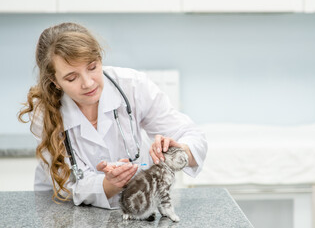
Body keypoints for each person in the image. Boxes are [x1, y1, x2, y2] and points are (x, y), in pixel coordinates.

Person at [18, 22, 207, 209]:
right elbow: (67, 186)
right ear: (55, 81)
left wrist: (178, 151)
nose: (88, 83)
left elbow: (193, 136)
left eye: (92, 67)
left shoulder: (132, 85)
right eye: (71, 77)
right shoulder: (44, 113)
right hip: (67, 211)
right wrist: (108, 185)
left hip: (138, 206)